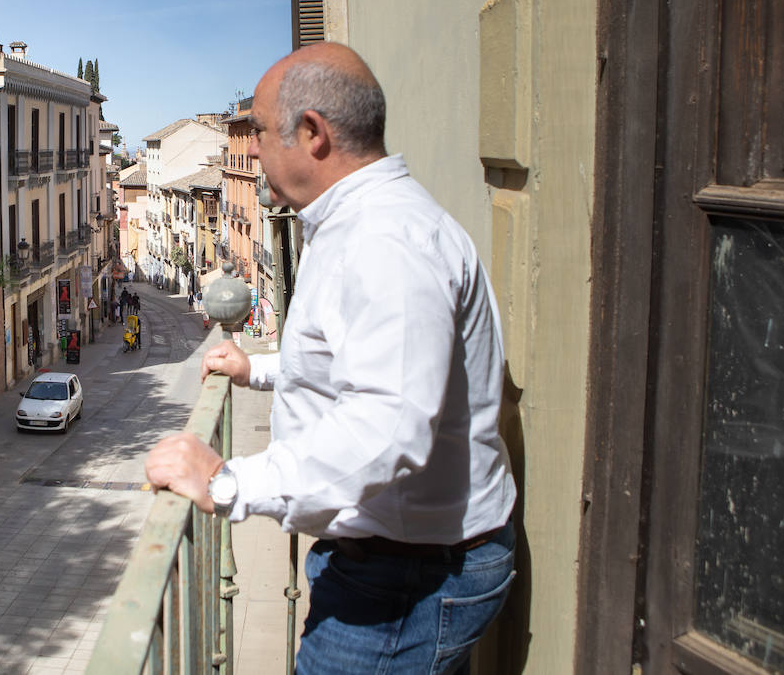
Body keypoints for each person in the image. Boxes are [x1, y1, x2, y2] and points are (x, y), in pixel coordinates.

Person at [145, 43, 516, 674]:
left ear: (311, 133)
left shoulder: (385, 241)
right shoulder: (353, 225)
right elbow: (358, 366)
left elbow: (388, 429)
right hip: (396, 563)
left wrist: (228, 482)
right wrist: (258, 368)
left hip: (408, 578)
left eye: (258, 132)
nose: (251, 150)